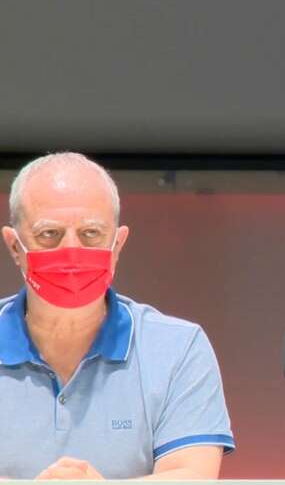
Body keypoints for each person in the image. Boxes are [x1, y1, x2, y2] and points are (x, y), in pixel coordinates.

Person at [0, 153, 234, 479]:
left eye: (91, 234)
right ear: (14, 246)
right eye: (49, 234)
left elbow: (191, 476)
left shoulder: (178, 348)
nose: (72, 251)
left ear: (118, 244)